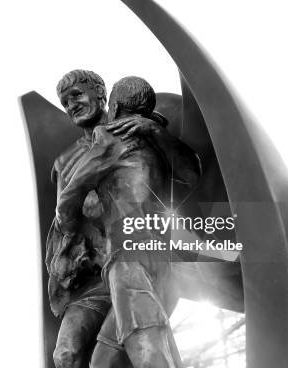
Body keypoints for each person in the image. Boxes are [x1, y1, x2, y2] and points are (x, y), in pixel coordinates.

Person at [55, 76, 193, 368]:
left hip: (129, 257)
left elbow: (68, 202)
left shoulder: (113, 138)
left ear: (108, 99)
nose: (71, 105)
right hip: (118, 263)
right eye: (64, 101)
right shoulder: (145, 133)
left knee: (147, 345)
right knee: (102, 360)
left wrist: (69, 226)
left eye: (76, 95)